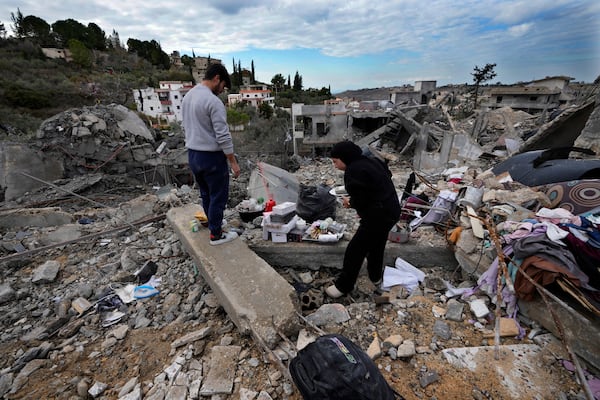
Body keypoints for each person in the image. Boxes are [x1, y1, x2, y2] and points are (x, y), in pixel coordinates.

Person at [326, 141, 401, 298]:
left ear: (345, 157)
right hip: (391, 210)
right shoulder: (370, 161)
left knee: (355, 251)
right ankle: (376, 278)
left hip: (378, 216)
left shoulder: (353, 171)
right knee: (376, 246)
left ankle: (343, 286)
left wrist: (350, 202)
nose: (335, 165)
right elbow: (385, 177)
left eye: (335, 161)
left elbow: (362, 199)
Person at [182, 63, 241, 245]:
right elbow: (223, 135)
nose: (222, 90)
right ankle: (216, 235)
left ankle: (212, 224)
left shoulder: (189, 96)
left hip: (193, 154)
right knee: (218, 196)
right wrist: (232, 161)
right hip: (211, 157)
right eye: (223, 86)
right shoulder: (212, 101)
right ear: (217, 78)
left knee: (206, 194)